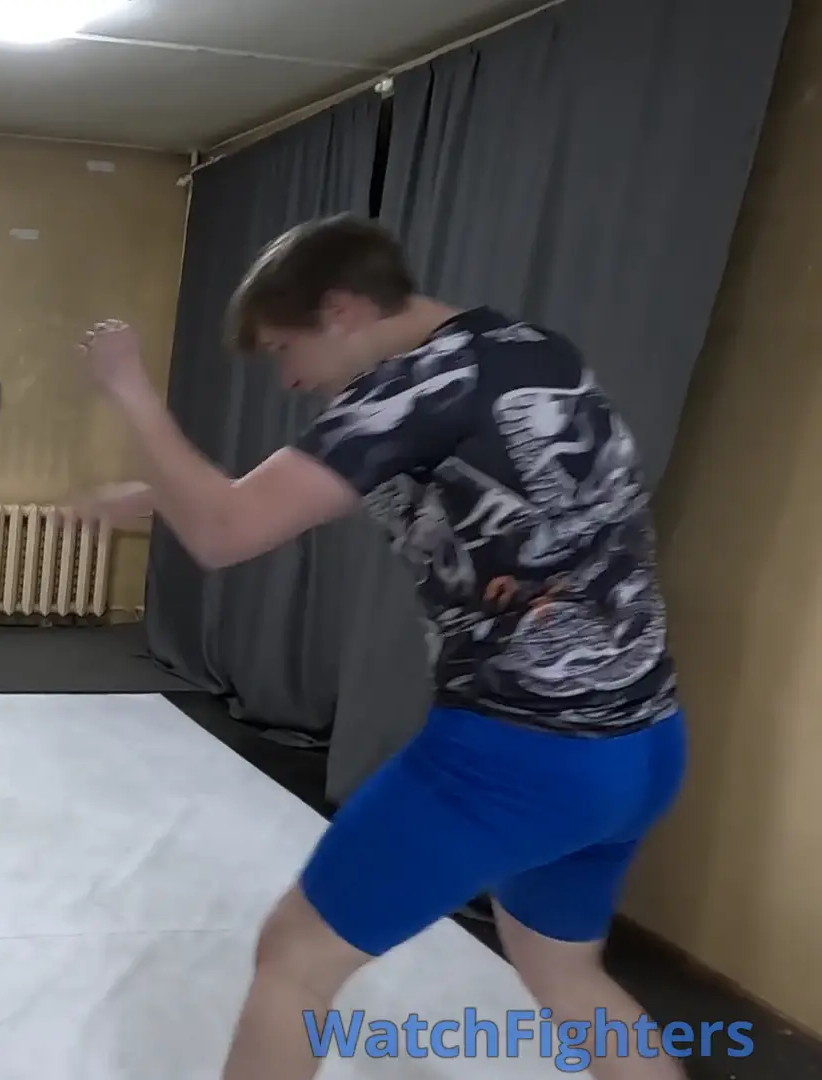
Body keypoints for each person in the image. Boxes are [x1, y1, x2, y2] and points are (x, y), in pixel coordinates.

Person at [70, 214, 687, 1080]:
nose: (289, 378)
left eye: (287, 348)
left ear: (343, 309)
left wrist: (128, 387)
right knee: (567, 975)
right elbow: (357, 490)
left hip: (519, 755)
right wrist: (158, 494)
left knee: (294, 961)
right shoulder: (525, 351)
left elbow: (223, 531)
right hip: (642, 746)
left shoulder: (412, 389)